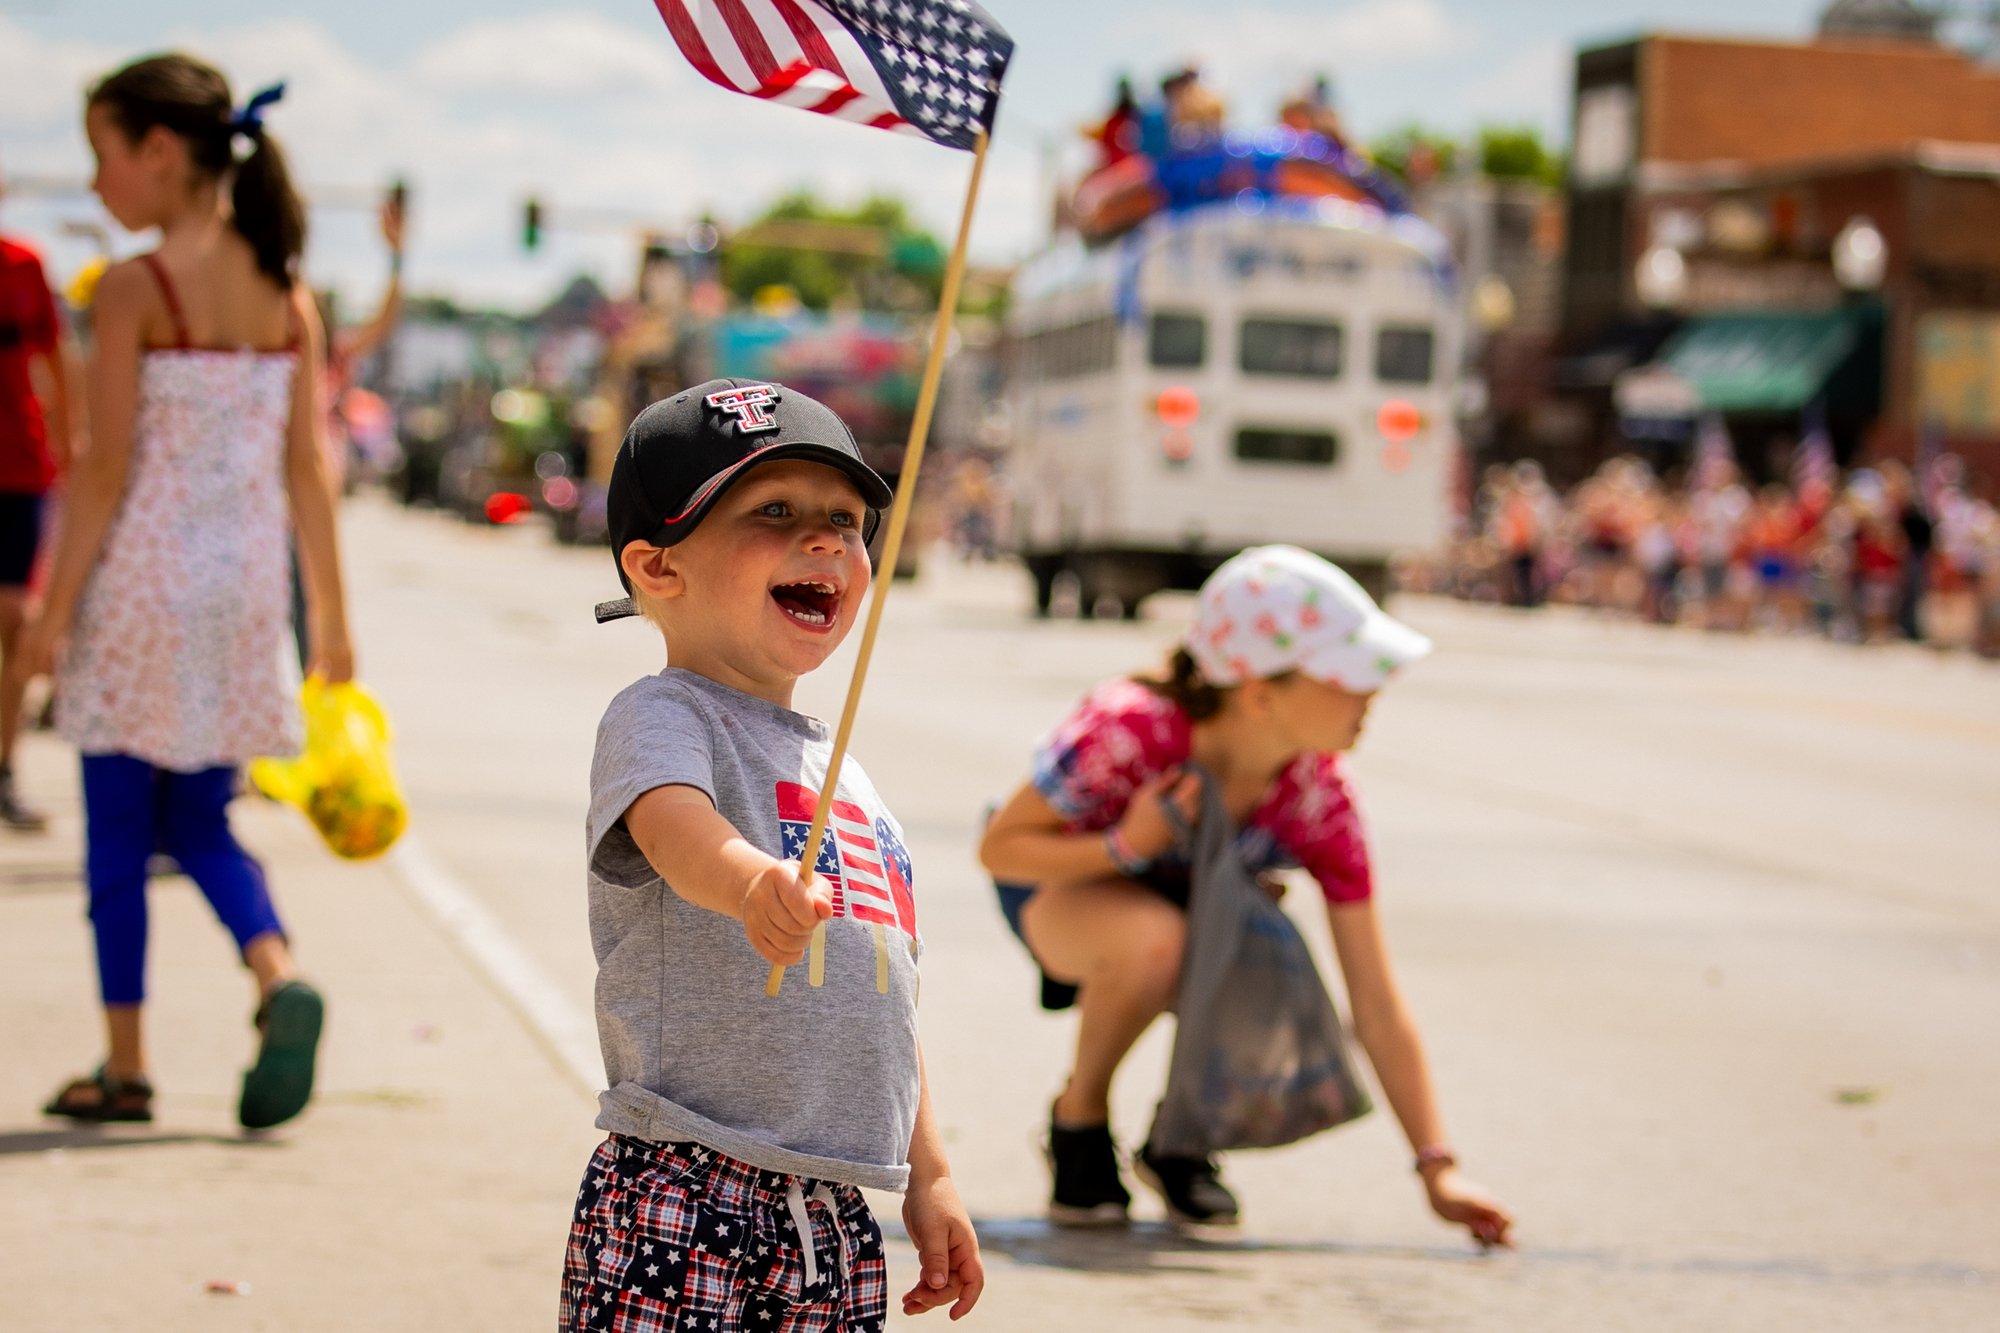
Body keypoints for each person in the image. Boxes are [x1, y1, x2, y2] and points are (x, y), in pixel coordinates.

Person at [563, 379, 981, 1331]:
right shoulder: (663, 713)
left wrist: (933, 1173)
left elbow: (880, 991)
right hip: (687, 1185)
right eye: (776, 511)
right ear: (657, 567)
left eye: (847, 516)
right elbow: (673, 828)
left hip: (834, 1215)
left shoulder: (849, 776)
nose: (829, 539)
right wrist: (750, 881)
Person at [979, 546, 1513, 1245]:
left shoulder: (1319, 797)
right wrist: (1126, 846)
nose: (1375, 689)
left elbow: (1375, 998)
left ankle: (1184, 1134)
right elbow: (1001, 846)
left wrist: (1437, 1169)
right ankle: (1079, 1119)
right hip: (1064, 892)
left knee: (1267, 949)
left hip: (1199, 921)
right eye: (1352, 673)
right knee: (1155, 942)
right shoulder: (1132, 728)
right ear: (1260, 691)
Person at [18, 54, 354, 1128]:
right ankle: (275, 972)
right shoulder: (286, 294)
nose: (98, 184)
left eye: (102, 156)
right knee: (203, 821)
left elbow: (103, 467)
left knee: (119, 830)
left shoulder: (133, 287)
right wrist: (333, 623)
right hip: (241, 598)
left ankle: (125, 1064)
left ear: (160, 154)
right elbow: (308, 469)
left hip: (139, 593)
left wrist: (49, 615)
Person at [0, 174, 79, 831]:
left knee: (17, 621)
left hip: (19, 470)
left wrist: (71, 442)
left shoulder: (24, 267)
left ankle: (3, 768)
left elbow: (58, 357)